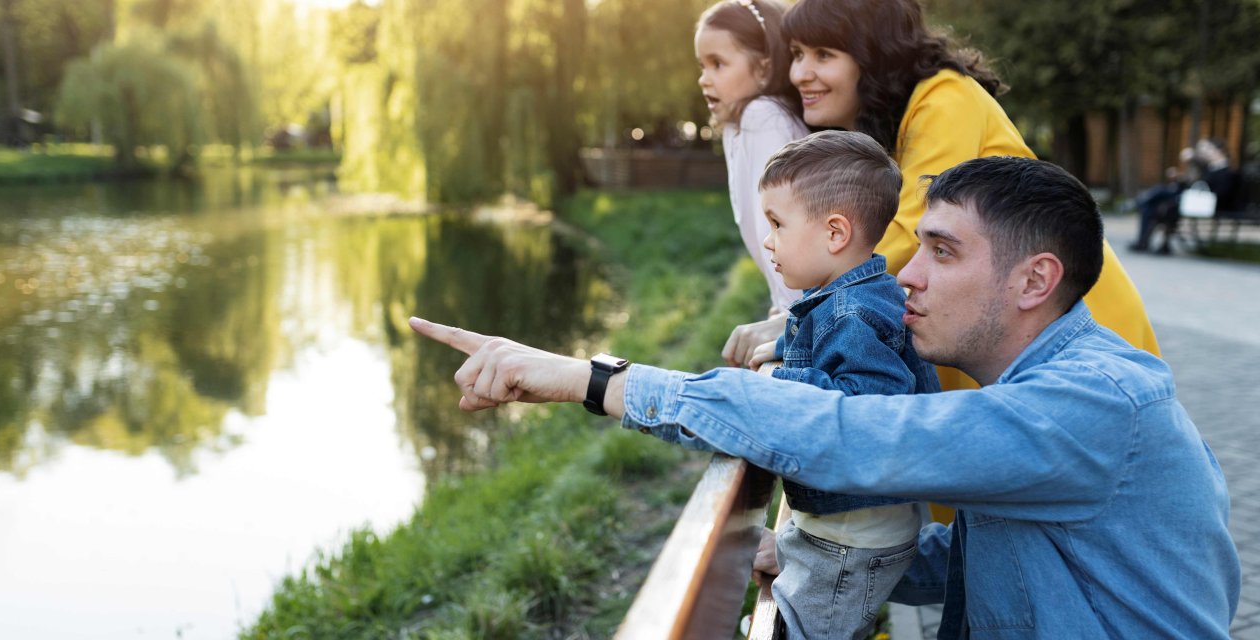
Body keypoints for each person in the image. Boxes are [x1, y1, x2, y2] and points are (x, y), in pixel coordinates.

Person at [409, 157, 1240, 638]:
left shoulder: (1092, 404)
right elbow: (988, 559)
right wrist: (831, 555)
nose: (906, 275)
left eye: (942, 253)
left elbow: (857, 435)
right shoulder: (1046, 400)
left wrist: (595, 380)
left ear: (1035, 281)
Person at [723, 0, 1160, 380]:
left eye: (824, 54)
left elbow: (903, 230)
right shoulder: (889, 124)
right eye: (797, 54)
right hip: (1013, 323)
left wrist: (806, 317)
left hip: (1066, 321)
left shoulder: (945, 98)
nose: (801, 73)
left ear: (873, 57)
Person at [747, 130, 940, 639]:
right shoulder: (855, 294)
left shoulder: (852, 311)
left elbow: (868, 407)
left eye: (776, 223)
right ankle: (791, 551)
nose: (768, 240)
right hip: (846, 528)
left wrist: (779, 378)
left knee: (811, 630)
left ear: (835, 233)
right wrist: (785, 349)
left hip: (851, 538)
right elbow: (833, 353)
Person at [695, 0, 810, 363]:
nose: (703, 78)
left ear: (763, 68)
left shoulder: (764, 118)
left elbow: (784, 228)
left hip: (805, 311)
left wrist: (792, 316)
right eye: (702, 66)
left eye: (718, 64)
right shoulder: (738, 124)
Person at [1130, 138, 1236, 255]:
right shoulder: (1209, 167)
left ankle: (1148, 234)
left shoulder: (1225, 171)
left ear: (1219, 151)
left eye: (1208, 149)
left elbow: (1219, 192)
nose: (1204, 152)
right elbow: (1195, 184)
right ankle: (1148, 239)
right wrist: (1181, 177)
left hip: (1205, 203)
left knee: (1164, 203)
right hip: (1193, 199)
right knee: (1152, 205)